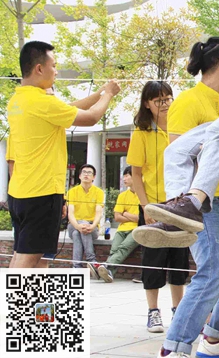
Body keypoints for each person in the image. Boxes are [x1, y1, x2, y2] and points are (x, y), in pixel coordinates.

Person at [141, 38, 219, 358]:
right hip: (203, 205)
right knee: (213, 272)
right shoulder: (188, 102)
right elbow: (178, 155)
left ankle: (214, 339)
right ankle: (174, 347)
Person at [7, 40, 119, 269]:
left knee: (28, 255)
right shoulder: (42, 102)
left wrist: (99, 94)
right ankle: (13, 294)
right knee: (28, 259)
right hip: (41, 192)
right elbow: (90, 118)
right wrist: (108, 95)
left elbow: (67, 108)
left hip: (20, 192)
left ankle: (27, 295)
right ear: (40, 68)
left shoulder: (19, 100)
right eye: (54, 66)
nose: (56, 71)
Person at [125, 81, 189, 334]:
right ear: (147, 104)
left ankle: (178, 310)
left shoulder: (181, 126)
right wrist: (146, 207)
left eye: (168, 98)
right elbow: (136, 174)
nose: (164, 104)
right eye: (158, 100)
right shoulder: (141, 132)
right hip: (154, 206)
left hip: (180, 204)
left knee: (179, 260)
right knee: (153, 259)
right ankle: (153, 312)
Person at [90, 166, 140, 283]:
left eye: (127, 176)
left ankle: (104, 267)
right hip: (122, 229)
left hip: (137, 229)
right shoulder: (122, 195)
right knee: (114, 250)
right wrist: (132, 217)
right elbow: (117, 217)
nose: (124, 179)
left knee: (124, 247)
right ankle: (109, 272)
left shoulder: (144, 194)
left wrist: (125, 213)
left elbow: (141, 219)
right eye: (124, 176)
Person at [66, 165, 105, 268]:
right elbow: (70, 213)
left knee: (77, 234)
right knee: (79, 228)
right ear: (79, 176)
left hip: (92, 228)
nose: (86, 174)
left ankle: (77, 266)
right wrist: (78, 226)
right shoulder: (72, 192)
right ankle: (91, 260)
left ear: (94, 177)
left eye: (89, 173)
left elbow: (98, 213)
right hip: (73, 225)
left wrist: (92, 226)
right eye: (84, 172)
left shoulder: (99, 192)